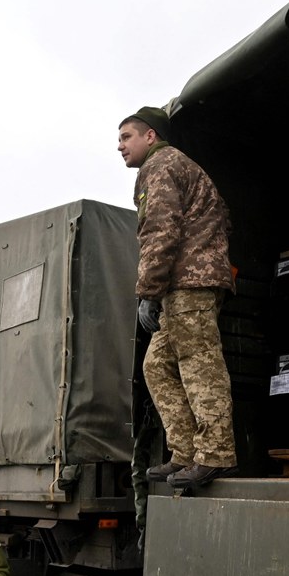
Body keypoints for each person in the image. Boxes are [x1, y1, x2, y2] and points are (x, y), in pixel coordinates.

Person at [117, 105, 239, 490]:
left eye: (125, 137)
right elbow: (223, 218)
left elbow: (160, 233)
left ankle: (216, 454)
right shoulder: (181, 168)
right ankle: (186, 451)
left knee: (199, 364)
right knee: (157, 365)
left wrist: (148, 293)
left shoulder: (161, 167)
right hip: (186, 283)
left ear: (149, 136)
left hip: (189, 285)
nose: (119, 147)